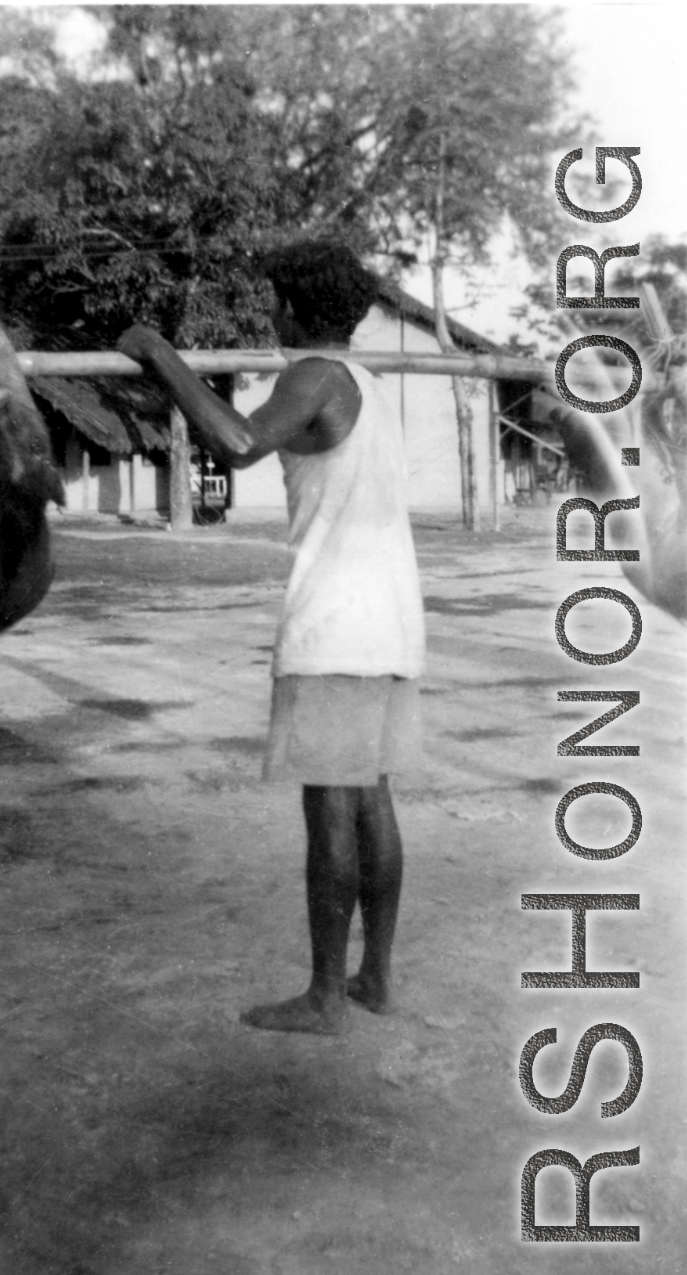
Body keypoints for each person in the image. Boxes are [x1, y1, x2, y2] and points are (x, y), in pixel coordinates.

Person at [117, 241, 425, 1034]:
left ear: (286, 305)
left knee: (331, 808)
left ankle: (325, 998)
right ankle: (375, 980)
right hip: (389, 623)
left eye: (273, 300)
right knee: (369, 801)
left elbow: (238, 443)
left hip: (337, 627)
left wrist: (158, 353)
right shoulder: (371, 384)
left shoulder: (314, 374)